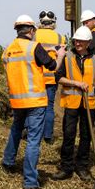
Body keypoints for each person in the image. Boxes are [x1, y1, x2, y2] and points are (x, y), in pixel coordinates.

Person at [1, 14, 63, 189]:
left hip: (17, 100)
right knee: (34, 140)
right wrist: (60, 55)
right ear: (31, 30)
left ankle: (8, 162)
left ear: (17, 30)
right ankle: (30, 181)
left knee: (15, 129)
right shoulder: (34, 47)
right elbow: (53, 67)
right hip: (35, 100)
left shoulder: (7, 50)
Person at [51, 26, 95, 182]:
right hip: (72, 102)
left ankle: (82, 167)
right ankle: (66, 168)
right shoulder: (67, 57)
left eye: (81, 41)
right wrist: (76, 83)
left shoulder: (94, 59)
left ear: (88, 43)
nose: (78, 43)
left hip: (89, 104)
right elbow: (58, 78)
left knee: (86, 136)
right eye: (76, 40)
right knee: (69, 135)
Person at [33, 11, 67, 145]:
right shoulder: (60, 38)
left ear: (41, 22)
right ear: (53, 23)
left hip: (37, 77)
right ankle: (48, 136)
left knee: (35, 106)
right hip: (52, 77)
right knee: (49, 106)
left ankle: (34, 132)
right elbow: (62, 57)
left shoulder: (34, 36)